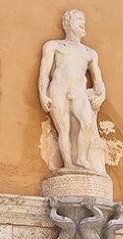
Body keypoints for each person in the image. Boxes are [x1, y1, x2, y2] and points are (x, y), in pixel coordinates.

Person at [38, 9, 106, 174]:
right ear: (67, 24)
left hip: (79, 91)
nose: (83, 23)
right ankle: (68, 164)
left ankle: (81, 157)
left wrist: (102, 96)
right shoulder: (53, 46)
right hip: (58, 89)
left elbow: (98, 80)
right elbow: (44, 74)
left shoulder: (90, 53)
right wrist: (42, 94)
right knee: (64, 129)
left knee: (86, 123)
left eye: (83, 19)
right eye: (78, 19)